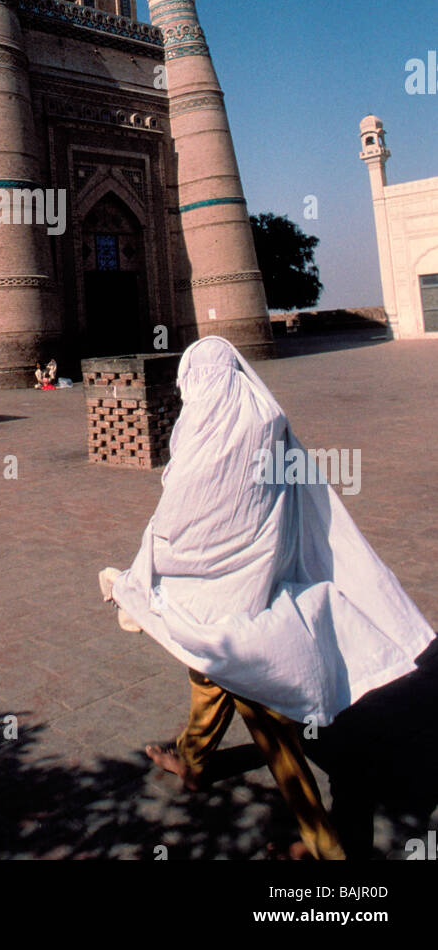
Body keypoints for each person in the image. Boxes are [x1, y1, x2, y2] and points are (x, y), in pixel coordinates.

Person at [99, 336, 434, 860]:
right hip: (263, 590)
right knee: (208, 678)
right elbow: (301, 513)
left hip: (238, 623)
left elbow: (173, 540)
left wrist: (129, 584)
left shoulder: (200, 448)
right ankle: (193, 762)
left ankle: (330, 852)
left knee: (262, 714)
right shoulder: (269, 430)